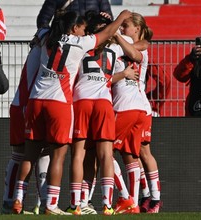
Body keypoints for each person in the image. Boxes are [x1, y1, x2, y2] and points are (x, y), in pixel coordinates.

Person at [12, 9, 132, 215]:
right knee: (57, 156)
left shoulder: (47, 36)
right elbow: (107, 33)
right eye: (82, 29)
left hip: (35, 99)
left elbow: (39, 31)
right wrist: (121, 17)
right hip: (59, 102)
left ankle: (17, 200)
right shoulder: (80, 43)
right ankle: (51, 205)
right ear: (75, 28)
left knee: (29, 155)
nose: (84, 32)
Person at [66, 11, 138, 216]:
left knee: (78, 154)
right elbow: (135, 49)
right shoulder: (115, 47)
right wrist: (117, 21)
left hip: (82, 101)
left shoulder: (80, 46)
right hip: (104, 103)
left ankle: (76, 204)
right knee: (106, 155)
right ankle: (107, 204)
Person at [113, 12, 162, 213]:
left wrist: (115, 36)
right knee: (133, 153)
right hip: (139, 106)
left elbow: (141, 47)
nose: (123, 29)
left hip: (133, 105)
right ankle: (145, 197)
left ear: (137, 29)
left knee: (139, 151)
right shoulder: (132, 45)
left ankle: (147, 198)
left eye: (126, 25)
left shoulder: (138, 46)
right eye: (122, 26)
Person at [1, 29, 50, 215]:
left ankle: (11, 201)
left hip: (21, 103)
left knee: (20, 155)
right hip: (29, 105)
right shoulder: (47, 50)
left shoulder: (39, 49)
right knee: (40, 153)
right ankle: (45, 203)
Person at [36, 0, 113, 29]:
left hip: (93, 42)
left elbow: (109, 19)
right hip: (66, 42)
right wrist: (49, 39)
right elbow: (43, 20)